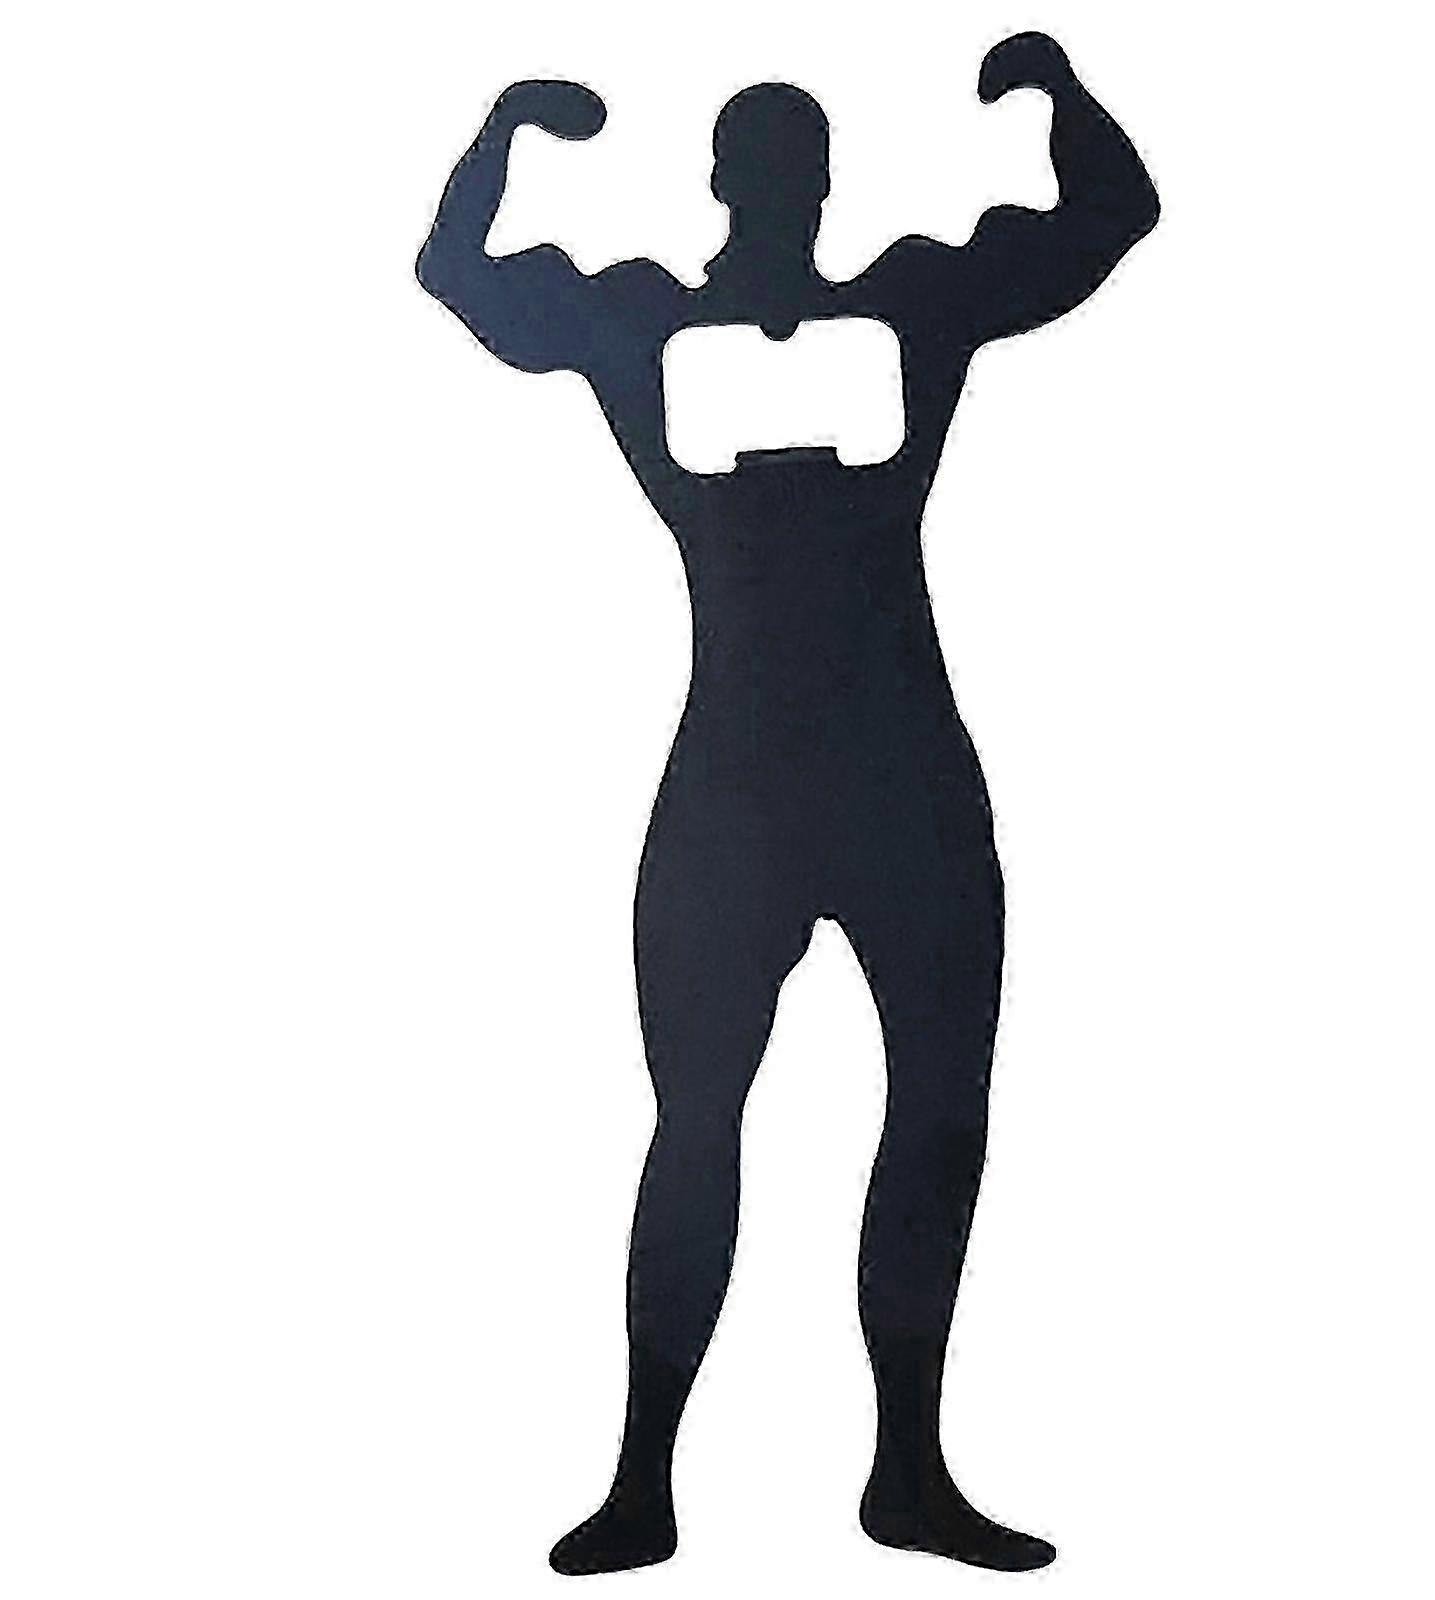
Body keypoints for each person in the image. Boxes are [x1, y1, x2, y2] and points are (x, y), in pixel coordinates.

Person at [417, 31, 1158, 1574]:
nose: (774, 191)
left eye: (790, 168)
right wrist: (505, 126)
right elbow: (457, 275)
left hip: (898, 780)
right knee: (699, 1123)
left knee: (935, 1113)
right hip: (743, 788)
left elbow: (1111, 217)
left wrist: (1055, 87)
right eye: (761, 168)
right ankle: (642, 1482)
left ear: (808, 188)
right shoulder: (656, 323)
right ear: (731, 185)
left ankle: (907, 1475)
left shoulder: (899, 304)